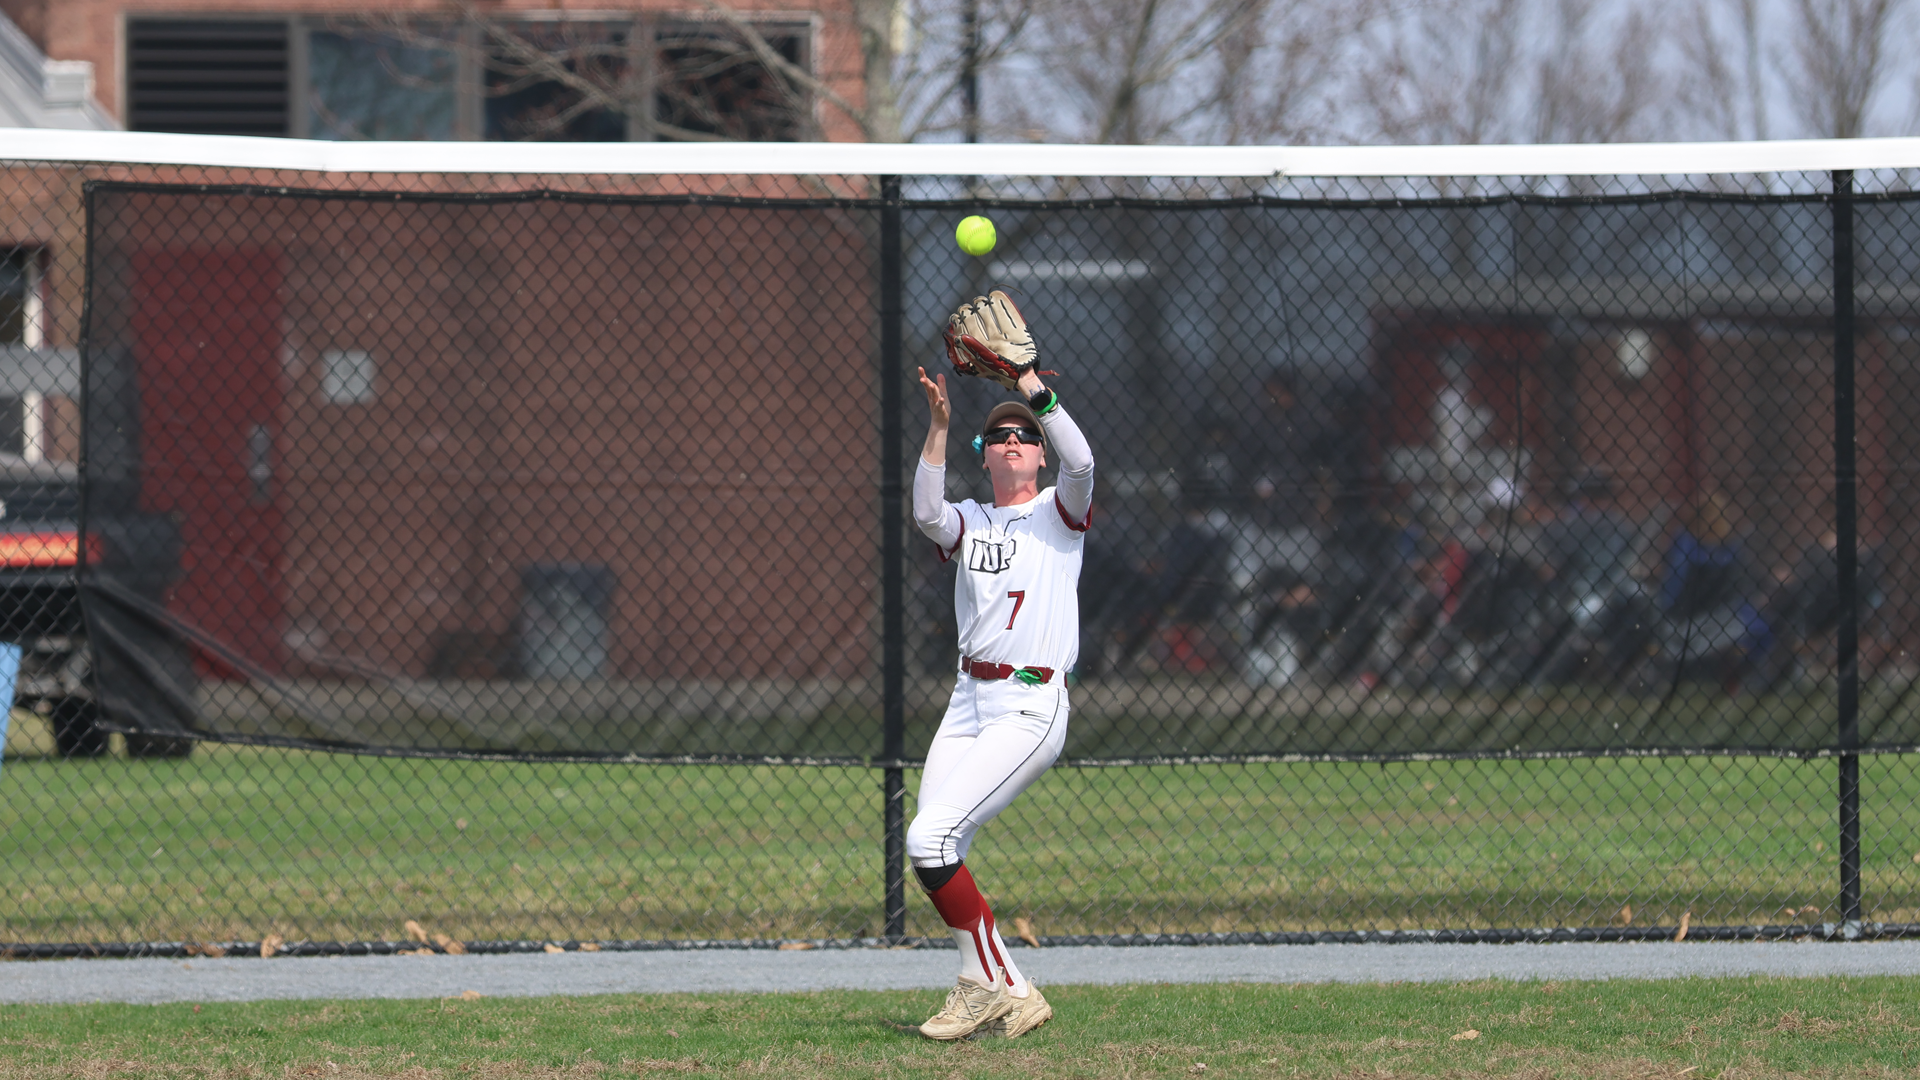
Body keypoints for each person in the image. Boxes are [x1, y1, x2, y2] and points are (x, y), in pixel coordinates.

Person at [908, 292, 1094, 1041]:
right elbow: (927, 515)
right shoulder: (974, 520)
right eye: (999, 438)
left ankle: (1007, 986)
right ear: (986, 457)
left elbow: (1083, 458)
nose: (1012, 440)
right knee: (936, 842)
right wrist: (942, 428)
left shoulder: (1059, 511)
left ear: (1037, 452)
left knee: (929, 842)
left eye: (1022, 436)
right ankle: (981, 983)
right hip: (967, 701)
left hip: (1029, 703)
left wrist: (1027, 384)